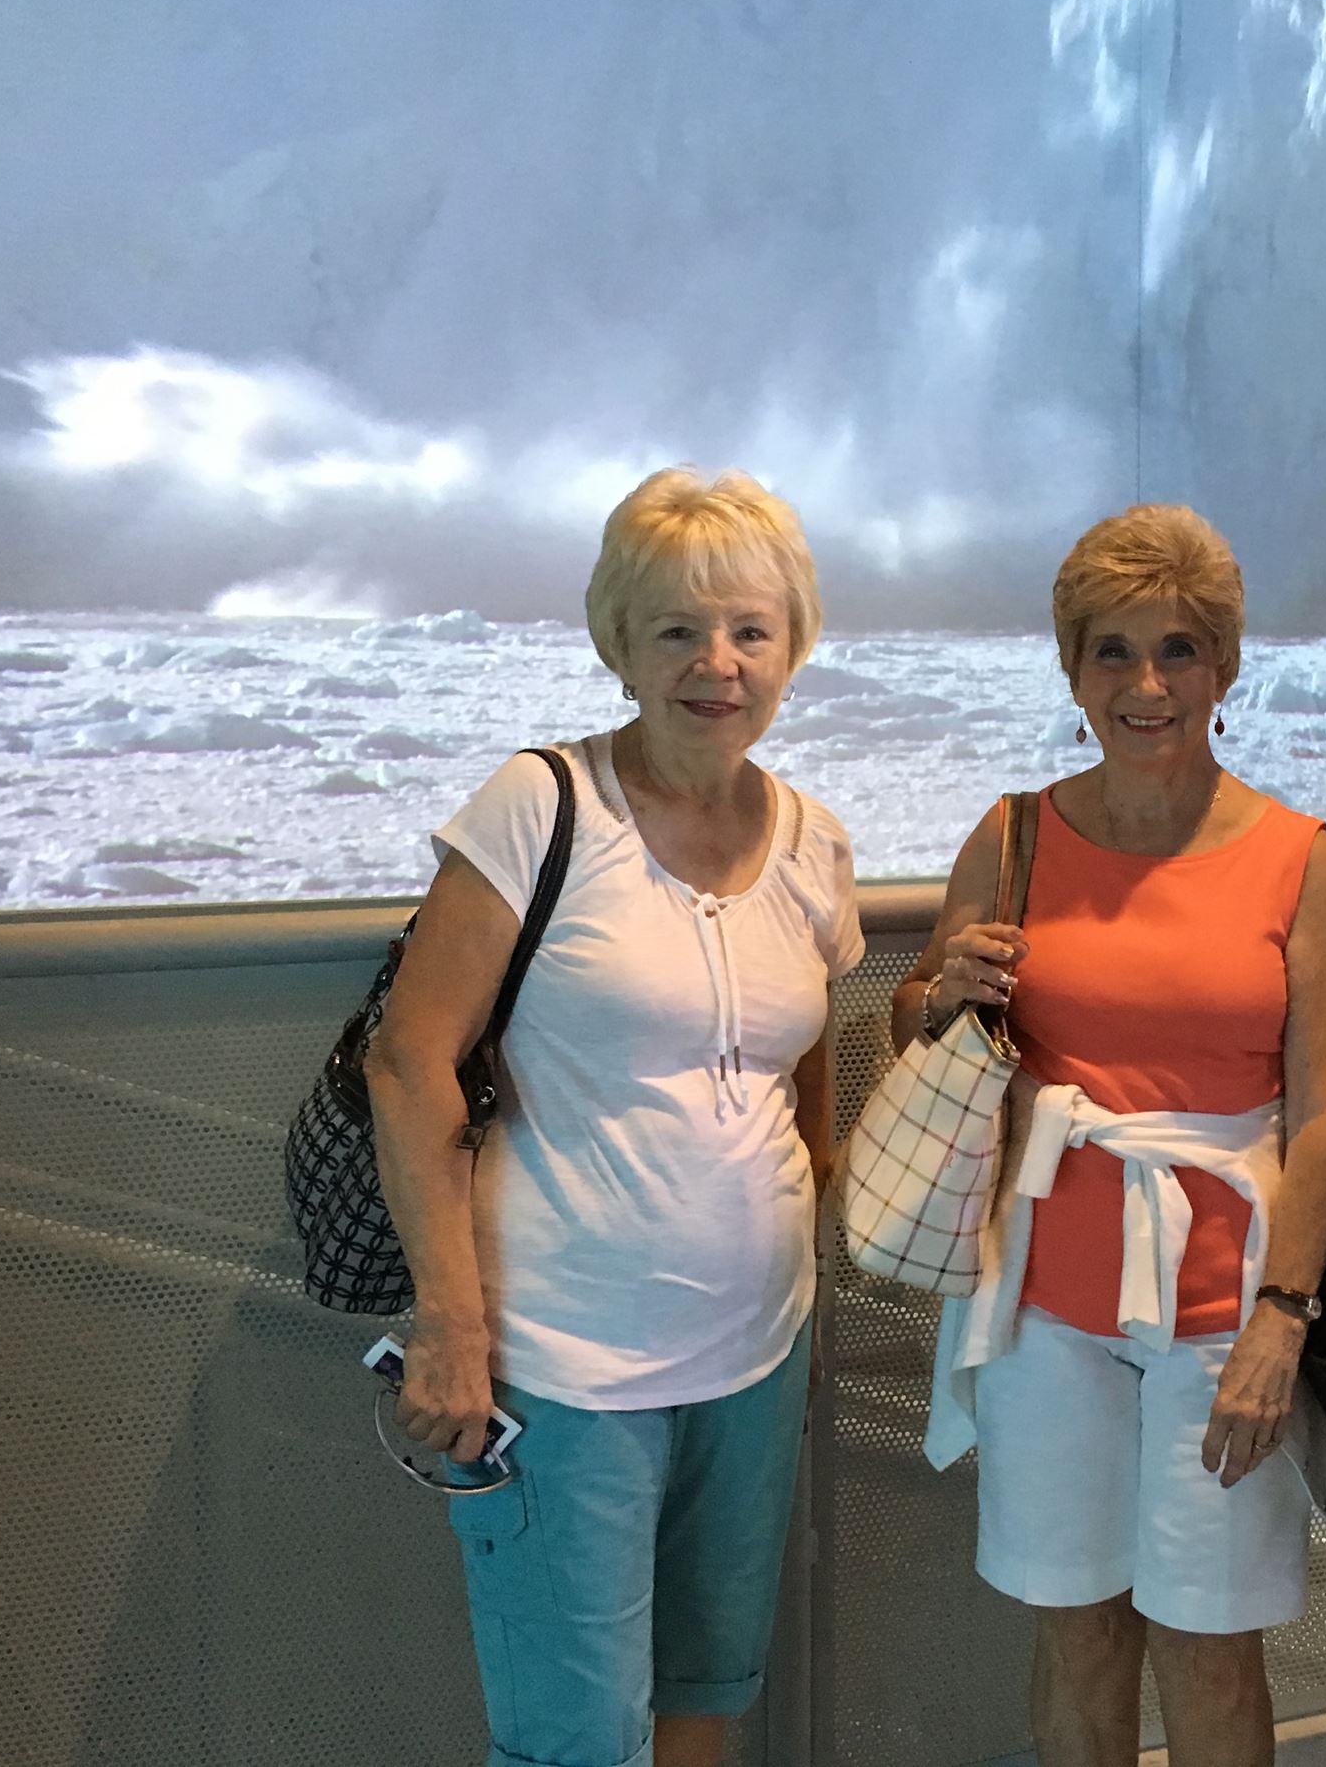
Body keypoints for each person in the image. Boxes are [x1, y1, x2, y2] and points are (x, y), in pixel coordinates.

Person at [367, 469, 863, 1767]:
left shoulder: (812, 839)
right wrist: (451, 1328)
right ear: (621, 643)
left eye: (751, 630)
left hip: (752, 1361)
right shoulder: (543, 807)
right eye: (679, 630)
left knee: (706, 1700)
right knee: (578, 1742)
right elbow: (410, 1065)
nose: (719, 662)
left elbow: (788, 1055)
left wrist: (813, 1190)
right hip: (565, 1369)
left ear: (792, 642)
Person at [893, 505, 1326, 1767]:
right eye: (1112, 652)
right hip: (1045, 1306)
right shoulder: (1014, 834)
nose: (1145, 685)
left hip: (1228, 1312)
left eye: (1178, 651)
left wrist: (1284, 1317)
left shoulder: (1298, 860)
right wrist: (933, 994)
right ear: (1070, 669)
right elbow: (918, 1031)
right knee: (1078, 1634)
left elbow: (1325, 1115)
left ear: (1225, 670)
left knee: (1213, 1648)